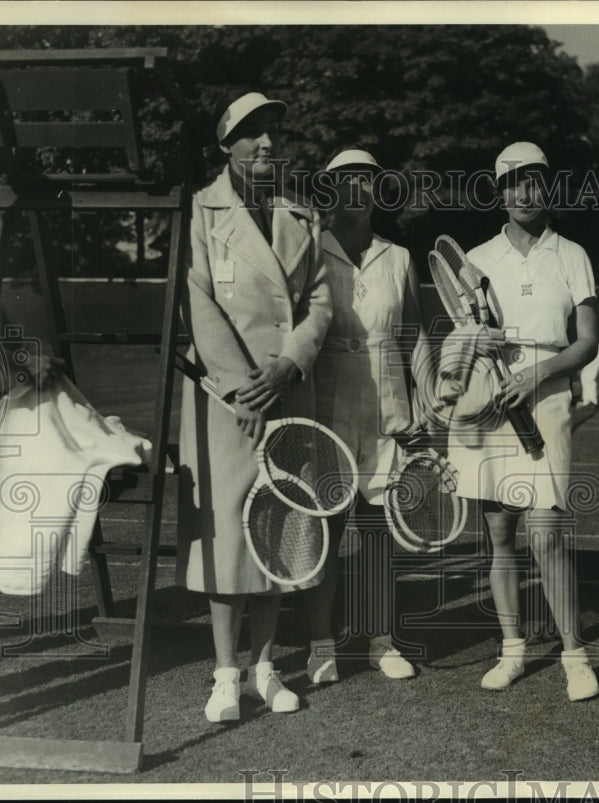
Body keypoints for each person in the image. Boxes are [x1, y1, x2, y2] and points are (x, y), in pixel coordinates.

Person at [176, 92, 332, 722]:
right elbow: (196, 299)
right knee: (224, 532)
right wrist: (244, 385)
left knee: (280, 526)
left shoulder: (301, 213)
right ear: (227, 146)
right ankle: (225, 674)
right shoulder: (200, 210)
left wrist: (289, 363)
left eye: (271, 132)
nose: (267, 144)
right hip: (226, 400)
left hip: (290, 393)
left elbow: (320, 301)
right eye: (252, 134)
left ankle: (266, 669)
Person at [448, 142, 599, 702]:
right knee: (499, 533)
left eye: (532, 181)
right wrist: (475, 343)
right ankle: (512, 648)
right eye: (512, 184)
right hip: (491, 402)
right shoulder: (477, 258)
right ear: (500, 192)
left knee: (548, 533)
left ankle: (574, 654)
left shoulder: (572, 254)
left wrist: (538, 374)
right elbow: (461, 341)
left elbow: (588, 341)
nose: (523, 193)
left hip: (548, 397)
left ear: (547, 185)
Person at [303, 147, 433, 683]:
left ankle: (381, 640)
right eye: (346, 181)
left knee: (380, 530)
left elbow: (414, 333)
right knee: (325, 532)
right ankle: (320, 646)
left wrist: (424, 398)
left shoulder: (399, 256)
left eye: (366, 181)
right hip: (328, 408)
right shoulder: (309, 250)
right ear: (330, 190)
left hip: (389, 410)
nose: (357, 190)